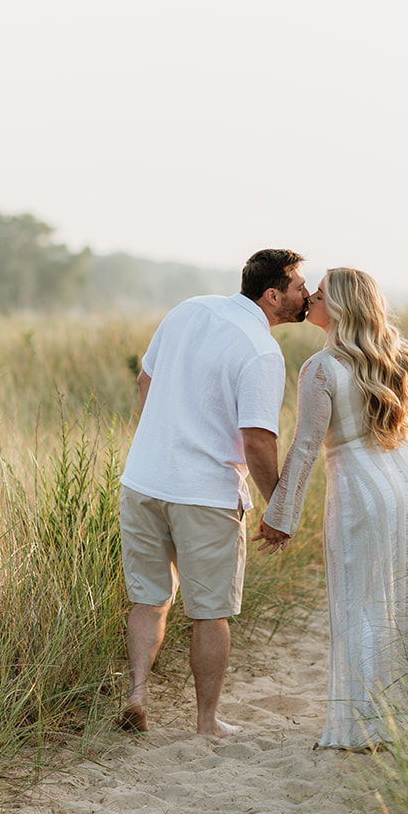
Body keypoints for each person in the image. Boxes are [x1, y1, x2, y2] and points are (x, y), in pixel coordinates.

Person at [255, 267, 408, 750]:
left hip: (363, 490)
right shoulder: (401, 355)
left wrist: (279, 516)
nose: (309, 299)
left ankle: (366, 728)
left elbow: (306, 446)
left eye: (317, 295)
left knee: (363, 602)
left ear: (338, 308)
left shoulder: (320, 368)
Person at [117, 248, 309, 735]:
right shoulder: (263, 351)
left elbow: (146, 380)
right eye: (299, 287)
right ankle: (207, 722)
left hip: (142, 480)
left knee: (148, 601)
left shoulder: (190, 308)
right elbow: (258, 440)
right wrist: (278, 506)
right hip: (204, 492)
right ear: (272, 296)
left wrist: (163, 439)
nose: (307, 295)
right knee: (211, 614)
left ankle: (137, 694)